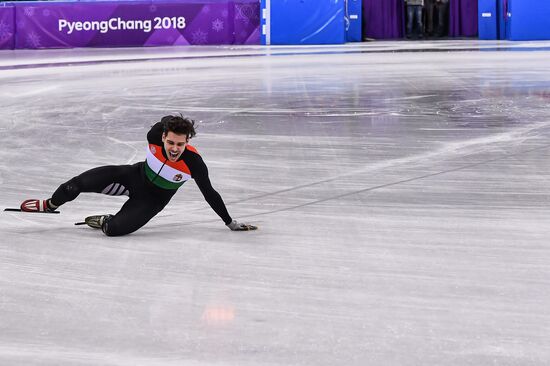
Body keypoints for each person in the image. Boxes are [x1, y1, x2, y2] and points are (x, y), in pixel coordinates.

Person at [19, 115, 257, 235]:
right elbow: (164, 121)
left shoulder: (194, 163)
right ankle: (50, 205)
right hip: (132, 176)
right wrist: (171, 120)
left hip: (152, 200)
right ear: (163, 137)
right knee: (74, 186)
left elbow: (210, 194)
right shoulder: (154, 135)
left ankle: (106, 220)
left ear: (188, 142)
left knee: (114, 231)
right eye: (171, 142)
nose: (175, 149)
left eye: (181, 144)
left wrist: (230, 222)